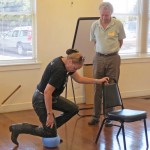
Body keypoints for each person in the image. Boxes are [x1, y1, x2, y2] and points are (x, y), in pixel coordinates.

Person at [9, 49, 109, 146]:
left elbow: (79, 79)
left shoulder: (65, 61)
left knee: (73, 109)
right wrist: (50, 114)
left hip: (52, 97)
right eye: (75, 68)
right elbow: (47, 92)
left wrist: (98, 81)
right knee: (49, 133)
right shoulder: (59, 70)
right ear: (70, 61)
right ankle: (18, 128)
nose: (74, 71)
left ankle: (50, 128)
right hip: (41, 99)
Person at [88, 2, 126, 126]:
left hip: (113, 58)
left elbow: (120, 41)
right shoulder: (94, 25)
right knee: (97, 87)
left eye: (107, 15)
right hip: (98, 58)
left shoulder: (118, 24)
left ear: (111, 13)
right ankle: (95, 116)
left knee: (110, 87)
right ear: (100, 13)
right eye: (102, 15)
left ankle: (109, 116)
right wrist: (102, 52)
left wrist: (111, 52)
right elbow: (94, 41)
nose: (104, 17)